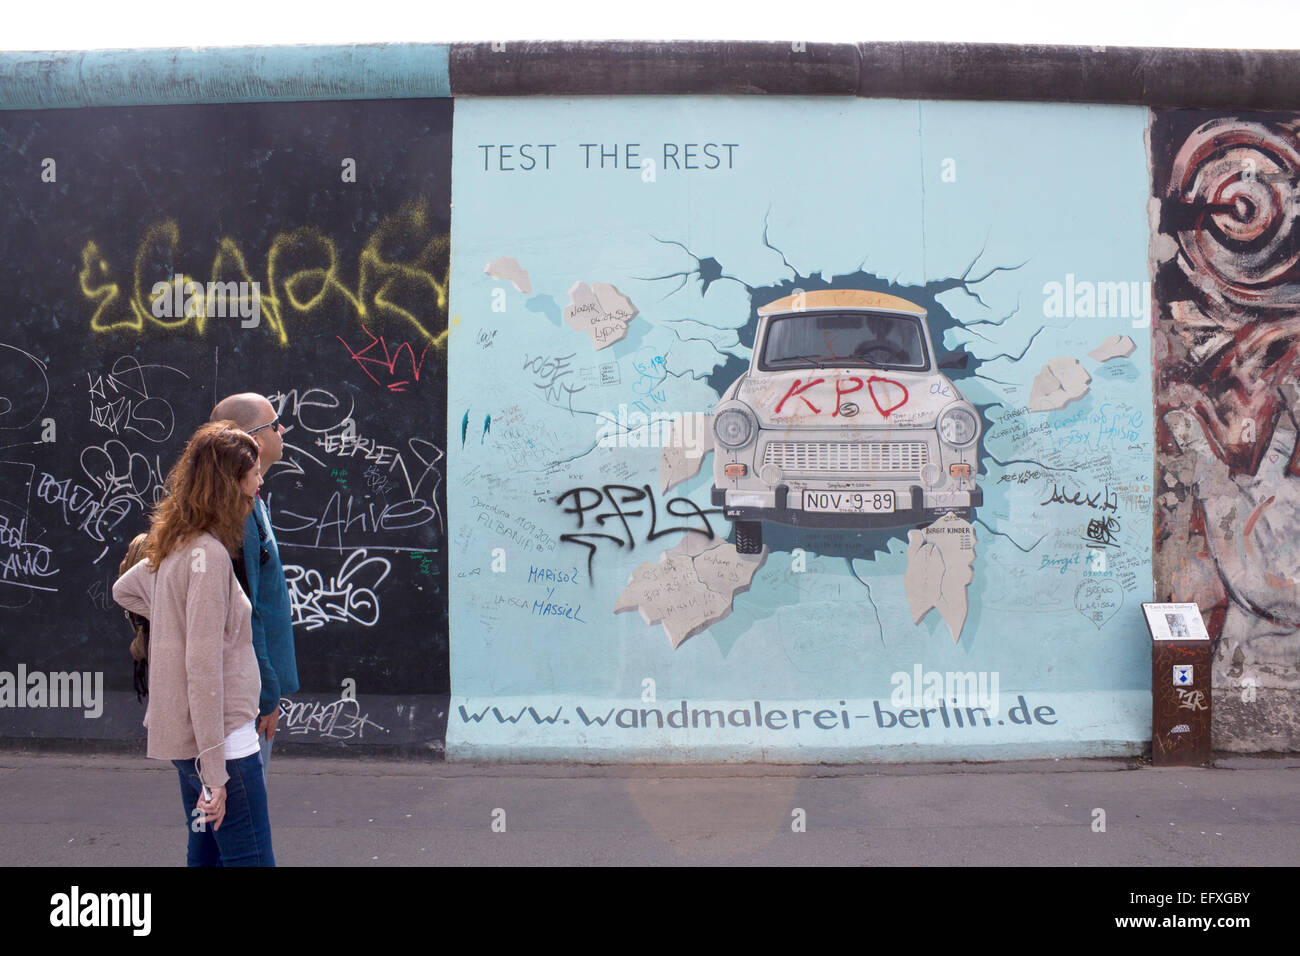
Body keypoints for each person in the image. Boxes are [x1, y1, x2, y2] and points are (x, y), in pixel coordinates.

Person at [114, 421, 273, 866]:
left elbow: (125, 590)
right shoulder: (209, 555)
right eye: (254, 474)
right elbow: (203, 670)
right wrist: (216, 775)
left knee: (205, 856)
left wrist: (170, 613)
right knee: (251, 859)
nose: (260, 482)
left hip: (193, 745)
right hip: (223, 746)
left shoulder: (177, 545)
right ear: (229, 483)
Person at [209, 393, 298, 788]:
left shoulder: (249, 500)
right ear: (256, 440)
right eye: (276, 424)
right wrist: (267, 695)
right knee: (241, 806)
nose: (283, 430)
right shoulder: (240, 514)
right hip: (248, 695)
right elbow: (248, 610)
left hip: (252, 686)